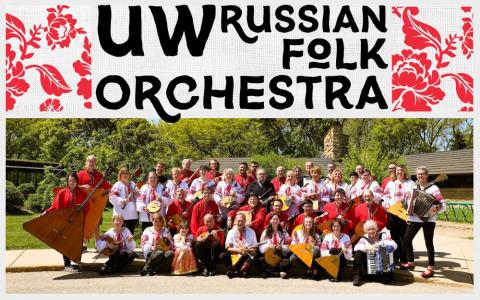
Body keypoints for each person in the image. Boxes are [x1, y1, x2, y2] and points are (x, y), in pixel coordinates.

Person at [402, 166, 446, 278]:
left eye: (422, 173)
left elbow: (443, 204)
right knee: (406, 239)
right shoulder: (413, 187)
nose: (420, 176)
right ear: (416, 176)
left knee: (428, 243)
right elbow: (407, 201)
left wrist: (437, 208)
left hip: (428, 219)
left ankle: (430, 268)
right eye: (418, 174)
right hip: (414, 218)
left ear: (426, 175)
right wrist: (408, 209)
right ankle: (411, 262)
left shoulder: (434, 188)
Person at [41, 173, 88, 272]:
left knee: (76, 242)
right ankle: (67, 264)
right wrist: (46, 212)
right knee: (65, 242)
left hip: (77, 222)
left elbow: (87, 207)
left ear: (77, 181)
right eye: (70, 180)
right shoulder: (62, 193)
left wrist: (80, 212)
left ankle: (75, 261)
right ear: (67, 181)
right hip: (65, 221)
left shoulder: (83, 193)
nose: (72, 182)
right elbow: (55, 206)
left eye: (74, 180)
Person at [382, 164, 415, 264]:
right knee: (394, 235)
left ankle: (404, 258)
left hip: (404, 213)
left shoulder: (410, 183)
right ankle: (396, 256)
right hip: (392, 211)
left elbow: (414, 197)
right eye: (397, 170)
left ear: (405, 171)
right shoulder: (391, 183)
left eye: (401, 170)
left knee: (404, 236)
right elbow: (385, 195)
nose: (399, 172)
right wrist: (386, 203)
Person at [352, 220, 397, 286]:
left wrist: (380, 244)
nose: (371, 231)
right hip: (370, 265)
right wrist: (367, 247)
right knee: (359, 252)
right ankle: (357, 276)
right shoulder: (364, 238)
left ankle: (368, 277)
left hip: (383, 266)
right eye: (368, 230)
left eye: (373, 229)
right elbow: (356, 247)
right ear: (366, 231)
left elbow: (394, 245)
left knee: (388, 279)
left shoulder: (383, 235)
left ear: (376, 229)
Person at [225, 213, 259, 278]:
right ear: (235, 221)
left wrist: (247, 250)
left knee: (254, 255)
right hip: (235, 254)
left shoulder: (252, 232)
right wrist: (238, 250)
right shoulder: (231, 232)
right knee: (223, 255)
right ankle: (240, 271)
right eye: (238, 221)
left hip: (246, 254)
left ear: (245, 221)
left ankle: (237, 272)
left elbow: (255, 249)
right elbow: (227, 247)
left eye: (242, 221)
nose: (240, 223)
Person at [258, 213, 291, 278]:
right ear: (270, 220)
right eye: (273, 219)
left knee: (288, 262)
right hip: (268, 255)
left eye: (277, 219)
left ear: (279, 221)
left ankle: (268, 271)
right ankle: (278, 273)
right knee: (258, 261)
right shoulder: (265, 232)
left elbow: (289, 246)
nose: (275, 221)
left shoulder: (284, 232)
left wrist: (282, 247)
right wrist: (268, 246)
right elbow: (261, 248)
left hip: (280, 255)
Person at [289, 216, 322, 280]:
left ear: (312, 224)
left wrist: (314, 245)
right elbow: (293, 245)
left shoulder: (316, 235)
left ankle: (315, 271)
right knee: (292, 258)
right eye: (306, 222)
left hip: (311, 254)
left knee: (316, 250)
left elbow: (320, 248)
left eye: (310, 222)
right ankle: (308, 268)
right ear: (303, 223)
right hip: (301, 253)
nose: (308, 223)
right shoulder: (297, 233)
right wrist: (300, 246)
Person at [109, 167, 139, 235]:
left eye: (126, 173)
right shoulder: (117, 185)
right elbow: (112, 197)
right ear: (120, 175)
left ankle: (129, 245)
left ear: (129, 175)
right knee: (119, 233)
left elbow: (139, 197)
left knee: (130, 233)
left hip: (132, 214)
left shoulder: (133, 184)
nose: (125, 175)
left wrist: (136, 192)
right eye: (123, 173)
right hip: (120, 213)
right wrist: (122, 201)